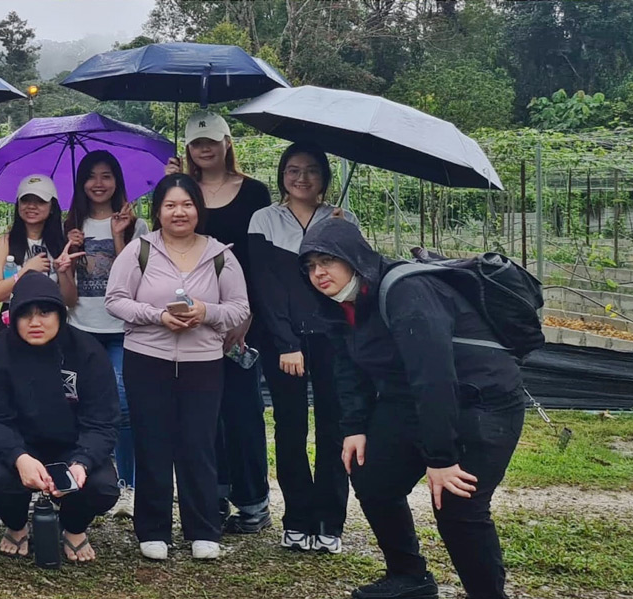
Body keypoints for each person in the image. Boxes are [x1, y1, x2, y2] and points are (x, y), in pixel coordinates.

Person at [300, 218, 526, 599]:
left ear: (354, 257)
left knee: (457, 508)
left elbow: (434, 377)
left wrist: (441, 458)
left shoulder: (407, 292)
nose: (318, 273)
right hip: (408, 397)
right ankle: (409, 577)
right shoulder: (342, 302)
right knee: (373, 478)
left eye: (327, 260)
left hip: (481, 400)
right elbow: (347, 364)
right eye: (309, 265)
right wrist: (355, 426)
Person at [105, 174, 251, 561]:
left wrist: (207, 312)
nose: (179, 212)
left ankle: (203, 528)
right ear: (158, 212)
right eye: (170, 205)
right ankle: (153, 530)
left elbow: (240, 307)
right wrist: (156, 316)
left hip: (203, 361)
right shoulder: (140, 251)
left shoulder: (221, 254)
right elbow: (115, 299)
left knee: (198, 443)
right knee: (152, 441)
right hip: (146, 358)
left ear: (198, 210)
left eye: (186, 205)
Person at [247, 142, 359, 553]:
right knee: (291, 430)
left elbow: (352, 284)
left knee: (335, 427)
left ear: (325, 178)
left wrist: (344, 237)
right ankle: (297, 518)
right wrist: (285, 342)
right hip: (284, 343)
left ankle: (331, 520)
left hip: (334, 339)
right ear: (282, 176)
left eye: (312, 170)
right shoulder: (265, 220)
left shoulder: (343, 218)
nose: (301, 178)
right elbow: (266, 288)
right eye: (293, 170)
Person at [165, 111, 274, 534]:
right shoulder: (183, 194)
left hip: (242, 320)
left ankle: (254, 500)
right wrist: (169, 187)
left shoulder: (255, 193)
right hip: (192, 319)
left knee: (243, 411)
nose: (204, 148)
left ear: (228, 142)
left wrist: (246, 317)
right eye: (196, 143)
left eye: (212, 140)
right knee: (201, 413)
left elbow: (262, 261)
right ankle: (214, 494)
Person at [0, 272, 121, 563]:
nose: (35, 322)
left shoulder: (88, 352)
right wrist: (19, 457)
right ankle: (16, 526)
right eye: (26, 314)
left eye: (45, 312)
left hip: (72, 446)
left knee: (102, 487)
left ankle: (74, 528)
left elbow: (102, 420)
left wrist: (82, 462)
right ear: (13, 317)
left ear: (60, 314)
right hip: (21, 446)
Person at [58, 150, 147, 516]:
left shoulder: (136, 225)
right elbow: (67, 297)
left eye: (106, 175)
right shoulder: (70, 227)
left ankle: (129, 484)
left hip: (122, 329)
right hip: (81, 328)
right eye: (91, 176)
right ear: (81, 183)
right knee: (79, 407)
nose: (98, 183)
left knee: (123, 406)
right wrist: (66, 263)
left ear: (117, 181)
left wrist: (118, 237)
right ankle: (86, 475)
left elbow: (139, 284)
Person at [0, 173, 63, 327]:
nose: (31, 206)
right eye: (25, 200)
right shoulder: (5, 243)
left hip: (50, 321)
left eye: (40, 201)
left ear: (52, 207)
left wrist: (64, 271)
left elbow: (70, 299)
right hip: (13, 320)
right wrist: (25, 272)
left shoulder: (60, 245)